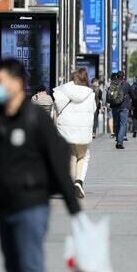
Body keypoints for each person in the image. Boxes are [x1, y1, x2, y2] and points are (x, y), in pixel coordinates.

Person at [0, 58, 81, 272]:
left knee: (29, 264)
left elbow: (58, 159)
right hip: (5, 205)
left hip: (32, 204)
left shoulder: (36, 118)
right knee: (12, 264)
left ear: (19, 83)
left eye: (0, 82)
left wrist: (72, 204)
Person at [53, 69, 96, 199]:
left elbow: (56, 108)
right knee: (83, 156)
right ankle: (79, 182)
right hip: (83, 132)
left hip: (65, 130)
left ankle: (70, 184)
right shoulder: (90, 94)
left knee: (71, 155)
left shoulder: (63, 91)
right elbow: (93, 109)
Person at [107, 71, 134, 149]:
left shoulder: (112, 84)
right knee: (123, 124)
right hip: (124, 107)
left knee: (117, 123)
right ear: (123, 77)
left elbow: (109, 96)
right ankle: (120, 141)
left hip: (114, 106)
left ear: (117, 76)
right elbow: (133, 95)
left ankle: (117, 138)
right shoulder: (126, 84)